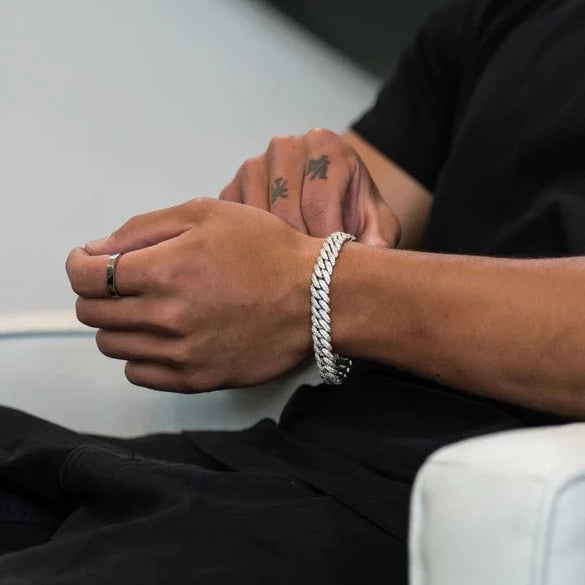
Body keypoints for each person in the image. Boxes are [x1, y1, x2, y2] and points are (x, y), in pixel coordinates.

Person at [1, 0, 584, 582]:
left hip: (442, 526)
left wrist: (315, 284)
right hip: (278, 467)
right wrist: (298, 193)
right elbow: (331, 224)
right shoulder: (503, 17)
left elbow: (307, 276)